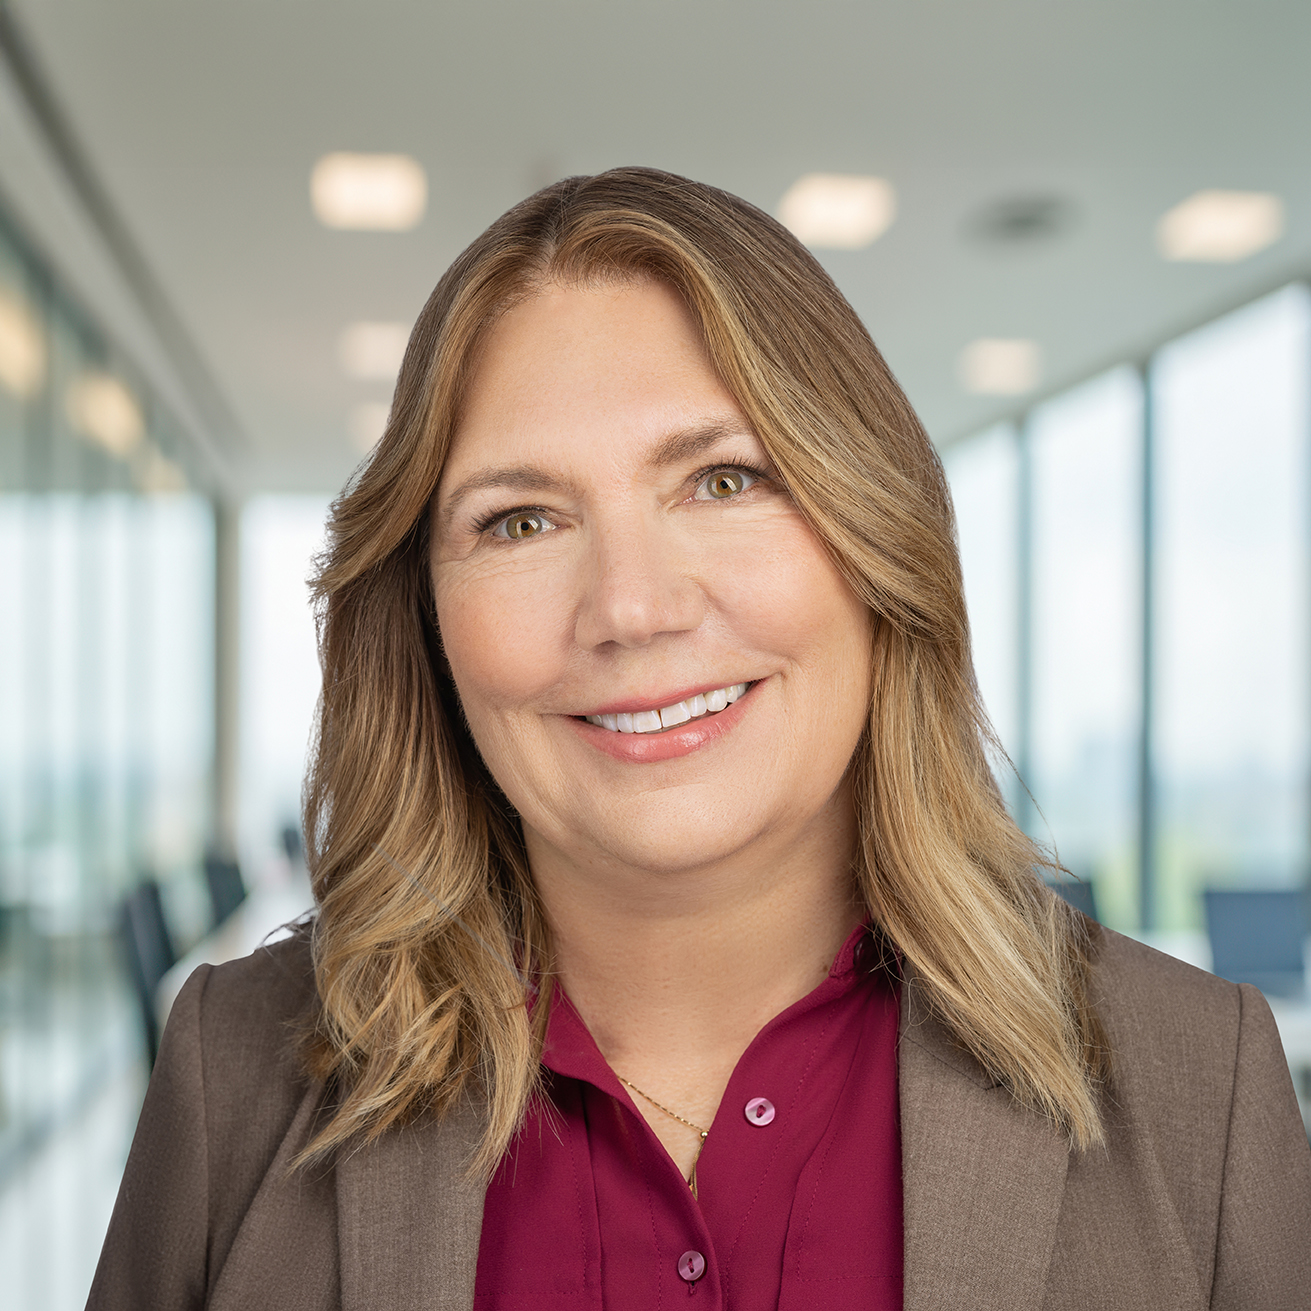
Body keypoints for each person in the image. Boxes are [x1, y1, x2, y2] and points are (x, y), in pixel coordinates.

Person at [89, 168, 1311, 1311]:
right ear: (426, 620)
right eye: (520, 520)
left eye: (723, 481)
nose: (631, 608)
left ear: (875, 537)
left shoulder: (1202, 1086)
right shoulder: (232, 1078)